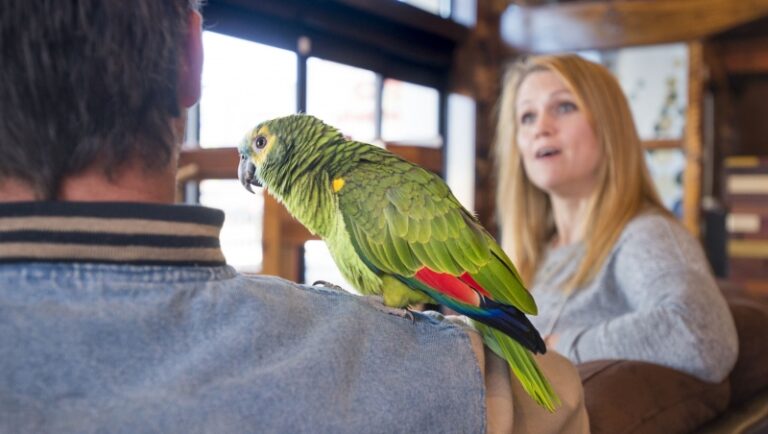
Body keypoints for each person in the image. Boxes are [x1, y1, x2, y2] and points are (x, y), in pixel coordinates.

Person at [0, 1, 589, 433]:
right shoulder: (435, 379)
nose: (247, 165)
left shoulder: (359, 185)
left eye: (256, 147)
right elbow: (562, 395)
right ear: (190, 58)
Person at [493, 53, 738, 384]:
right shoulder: (533, 254)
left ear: (608, 125)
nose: (541, 128)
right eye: (527, 117)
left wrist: (561, 347)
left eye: (564, 107)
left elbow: (703, 335)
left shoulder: (644, 235)